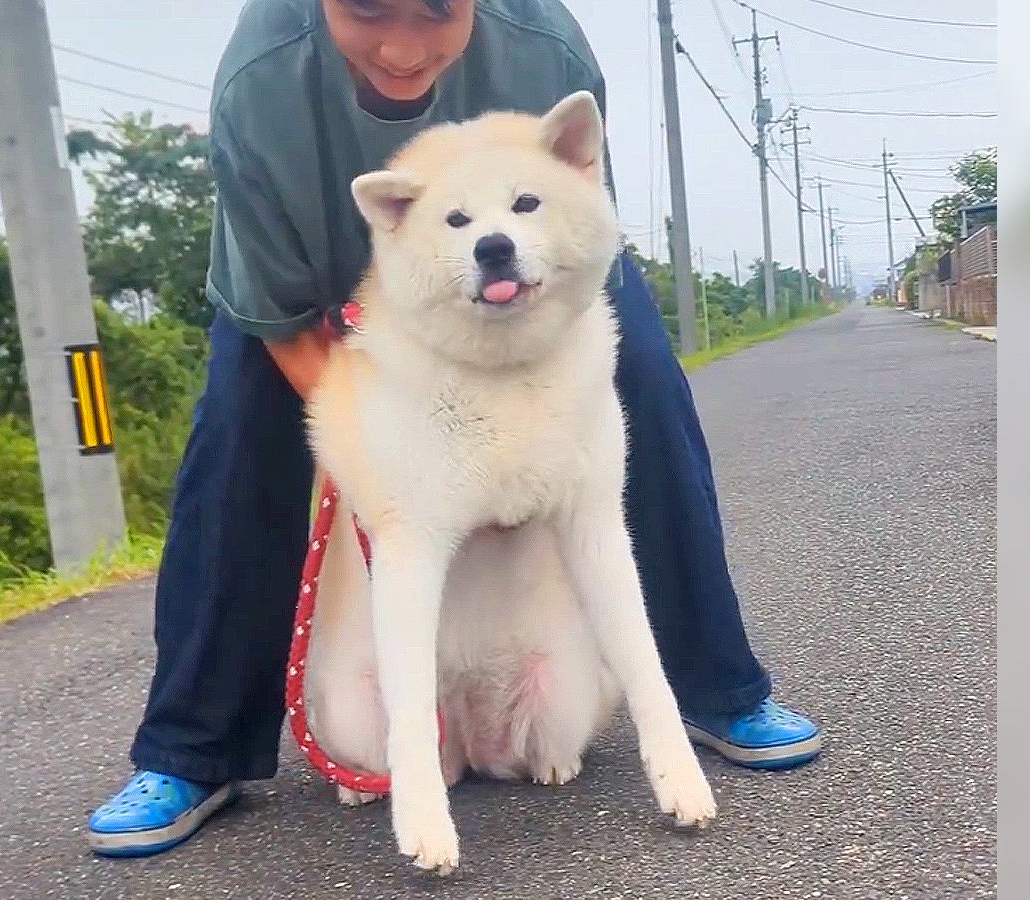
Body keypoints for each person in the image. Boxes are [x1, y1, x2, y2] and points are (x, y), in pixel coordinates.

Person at [86, 0, 821, 859]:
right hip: (308, 276)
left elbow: (573, 209)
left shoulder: (546, 49)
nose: (403, 47)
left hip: (517, 272)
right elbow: (279, 314)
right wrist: (385, 450)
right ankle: (191, 747)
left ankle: (721, 688)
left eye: (437, 12)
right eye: (367, 13)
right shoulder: (261, 80)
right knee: (236, 448)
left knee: (649, 394)